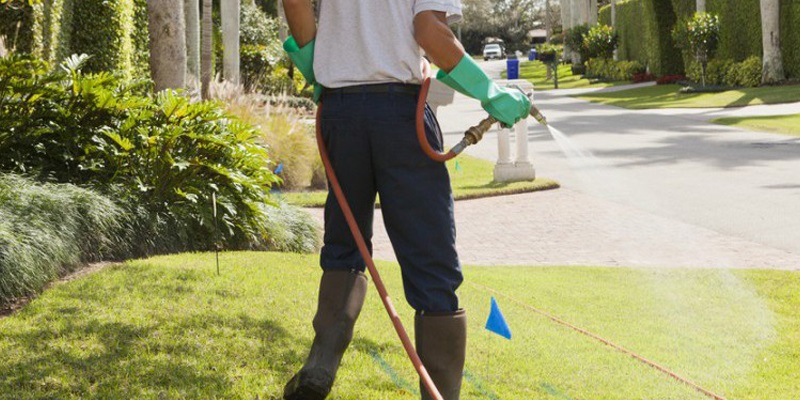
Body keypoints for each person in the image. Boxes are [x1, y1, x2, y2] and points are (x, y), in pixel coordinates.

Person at [281, 1, 531, 399]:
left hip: (340, 111)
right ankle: (440, 394)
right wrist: (489, 90)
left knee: (346, 241)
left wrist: (315, 61)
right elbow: (429, 31)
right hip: (401, 112)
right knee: (431, 259)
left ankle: (321, 364)